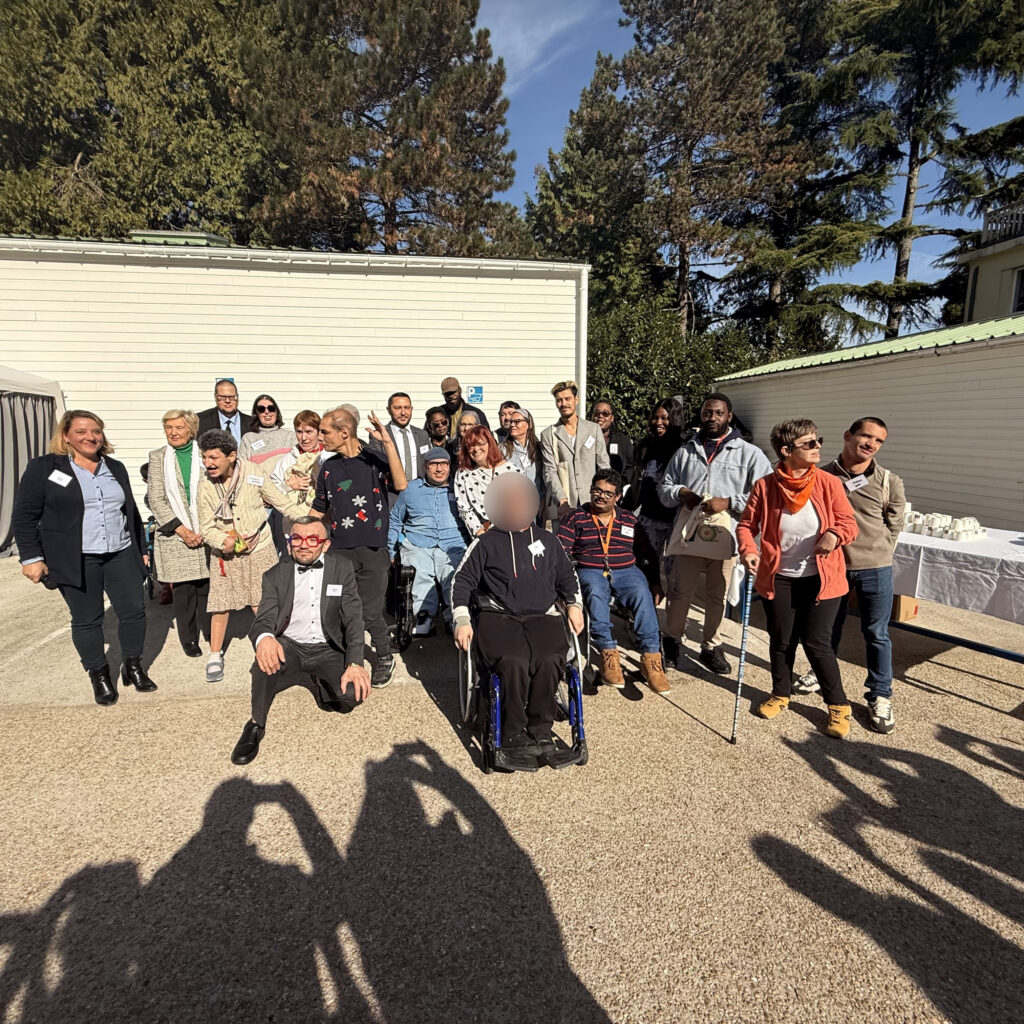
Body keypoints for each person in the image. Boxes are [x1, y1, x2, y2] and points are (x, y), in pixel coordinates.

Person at [13, 409, 157, 705]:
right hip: (76, 557)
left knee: (134, 612)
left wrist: (142, 550)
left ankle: (132, 666)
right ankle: (98, 673)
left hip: (120, 553)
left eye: (96, 431)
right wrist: (31, 557)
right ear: (66, 436)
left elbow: (129, 511)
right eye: (81, 431)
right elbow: (24, 516)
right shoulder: (44, 468)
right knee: (87, 619)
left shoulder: (113, 467)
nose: (90, 437)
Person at [736, 419, 858, 739]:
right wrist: (749, 550)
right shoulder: (765, 486)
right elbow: (746, 526)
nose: (818, 447)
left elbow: (849, 523)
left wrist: (835, 534)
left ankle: (838, 705)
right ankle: (781, 693)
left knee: (817, 643)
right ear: (786, 450)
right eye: (809, 443)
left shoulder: (828, 483)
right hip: (780, 578)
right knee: (781, 640)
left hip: (822, 579)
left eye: (818, 440)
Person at [451, 473, 584, 759]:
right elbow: (461, 581)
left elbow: (567, 576)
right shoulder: (486, 543)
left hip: (542, 615)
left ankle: (540, 728)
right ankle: (512, 731)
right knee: (514, 660)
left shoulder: (548, 540)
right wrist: (462, 619)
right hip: (498, 614)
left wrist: (574, 605)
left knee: (550, 658)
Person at [793, 417, 906, 734]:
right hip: (832, 568)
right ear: (848, 435)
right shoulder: (820, 475)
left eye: (879, 440)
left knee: (877, 634)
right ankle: (820, 672)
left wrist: (879, 551)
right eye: (866, 436)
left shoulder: (889, 481)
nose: (871, 444)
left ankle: (880, 695)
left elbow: (895, 524)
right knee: (827, 629)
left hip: (875, 568)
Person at [229, 517, 371, 765]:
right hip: (290, 646)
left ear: (325, 545)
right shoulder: (274, 575)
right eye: (297, 538)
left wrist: (355, 663)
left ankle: (320, 681)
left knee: (351, 696)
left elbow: (353, 618)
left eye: (313, 539)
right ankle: (256, 724)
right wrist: (265, 639)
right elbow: (263, 619)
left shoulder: (341, 568)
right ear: (289, 543)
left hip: (327, 647)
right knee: (263, 663)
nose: (304, 545)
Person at [658, 392, 772, 673]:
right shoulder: (686, 451)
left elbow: (765, 494)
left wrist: (730, 502)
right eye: (707, 413)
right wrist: (681, 492)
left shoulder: (750, 454)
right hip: (689, 535)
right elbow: (665, 487)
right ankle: (671, 641)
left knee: (717, 595)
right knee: (680, 592)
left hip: (725, 537)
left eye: (719, 413)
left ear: (729, 416)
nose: (712, 418)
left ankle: (711, 645)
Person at [308, 406, 408, 687]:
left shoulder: (374, 460)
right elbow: (319, 508)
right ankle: (345, 655)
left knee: (370, 610)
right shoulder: (328, 467)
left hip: (373, 550)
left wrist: (387, 443)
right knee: (337, 605)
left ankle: (384, 654)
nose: (320, 437)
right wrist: (301, 531)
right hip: (339, 550)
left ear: (344, 432)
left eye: (324, 432)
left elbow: (400, 483)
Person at [196, 429, 304, 684]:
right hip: (226, 552)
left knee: (263, 600)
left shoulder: (254, 473)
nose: (208, 463)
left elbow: (281, 503)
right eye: (204, 457)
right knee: (221, 604)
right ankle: (215, 654)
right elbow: (206, 526)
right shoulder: (205, 483)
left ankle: (276, 645)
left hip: (260, 545)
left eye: (213, 457)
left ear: (232, 456)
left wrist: (308, 519)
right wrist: (222, 541)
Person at [558, 469, 670, 694]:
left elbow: (647, 552)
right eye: (597, 490)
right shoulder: (576, 517)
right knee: (594, 592)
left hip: (626, 569)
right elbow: (560, 551)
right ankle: (608, 654)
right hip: (591, 568)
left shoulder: (628, 519)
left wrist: (655, 582)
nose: (601, 496)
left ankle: (651, 659)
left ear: (618, 497)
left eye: (608, 493)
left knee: (642, 592)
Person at [146, 410, 210, 658]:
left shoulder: (205, 454)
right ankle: (189, 639)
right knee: (184, 592)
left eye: (179, 427)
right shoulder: (158, 457)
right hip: (176, 533)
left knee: (207, 588)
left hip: (206, 530)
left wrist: (205, 528)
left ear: (191, 430)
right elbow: (156, 498)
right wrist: (183, 531)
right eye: (168, 427)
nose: (173, 432)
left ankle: (210, 632)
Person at [387, 448, 468, 636]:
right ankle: (425, 617)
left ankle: (455, 618)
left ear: (449, 466)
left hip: (453, 544)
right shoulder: (410, 490)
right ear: (425, 467)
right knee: (419, 572)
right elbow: (396, 519)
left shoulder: (459, 487)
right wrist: (391, 549)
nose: (439, 469)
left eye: (443, 464)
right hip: (418, 543)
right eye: (434, 464)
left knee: (452, 576)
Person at [626, 398, 686, 581]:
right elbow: (638, 482)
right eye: (655, 417)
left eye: (665, 418)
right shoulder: (644, 446)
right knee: (645, 568)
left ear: (674, 419)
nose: (659, 422)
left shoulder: (684, 449)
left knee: (674, 573)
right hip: (649, 516)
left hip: (675, 519)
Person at [539, 380, 610, 525]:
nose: (563, 403)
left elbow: (603, 465)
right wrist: (562, 499)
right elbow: (549, 471)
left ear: (576, 400)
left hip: (592, 501)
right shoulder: (549, 434)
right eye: (559, 400)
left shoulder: (593, 429)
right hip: (564, 505)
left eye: (567, 399)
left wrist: (604, 494)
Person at [454, 425, 522, 536]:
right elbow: (464, 509)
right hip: (483, 533)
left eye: (480, 444)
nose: (476, 449)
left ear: (490, 443)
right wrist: (481, 534)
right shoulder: (463, 473)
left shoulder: (511, 470)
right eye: (471, 445)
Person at [270, 409, 329, 523]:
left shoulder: (328, 457)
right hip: (293, 522)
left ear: (319, 432)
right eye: (299, 432)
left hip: (324, 521)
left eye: (308, 432)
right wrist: (287, 485)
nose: (303, 438)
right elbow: (271, 493)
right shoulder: (287, 460)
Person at [501, 406, 544, 509]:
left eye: (517, 422)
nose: (512, 425)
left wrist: (544, 500)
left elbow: (544, 476)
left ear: (529, 424)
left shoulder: (539, 448)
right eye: (511, 422)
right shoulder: (503, 449)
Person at [385, 392, 430, 488]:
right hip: (391, 492)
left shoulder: (422, 435)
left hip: (419, 490)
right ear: (388, 410)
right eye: (397, 408)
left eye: (407, 407)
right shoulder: (381, 435)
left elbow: (427, 463)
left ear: (411, 409)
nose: (403, 413)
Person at [238, 394, 296, 464]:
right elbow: (241, 465)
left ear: (276, 412)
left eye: (271, 408)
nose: (267, 412)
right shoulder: (247, 439)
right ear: (256, 414)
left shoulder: (290, 436)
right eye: (261, 409)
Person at [589, 400, 634, 484]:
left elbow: (630, 466)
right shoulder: (584, 437)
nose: (600, 416)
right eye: (596, 413)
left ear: (612, 418)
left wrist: (620, 484)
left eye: (605, 414)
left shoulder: (622, 441)